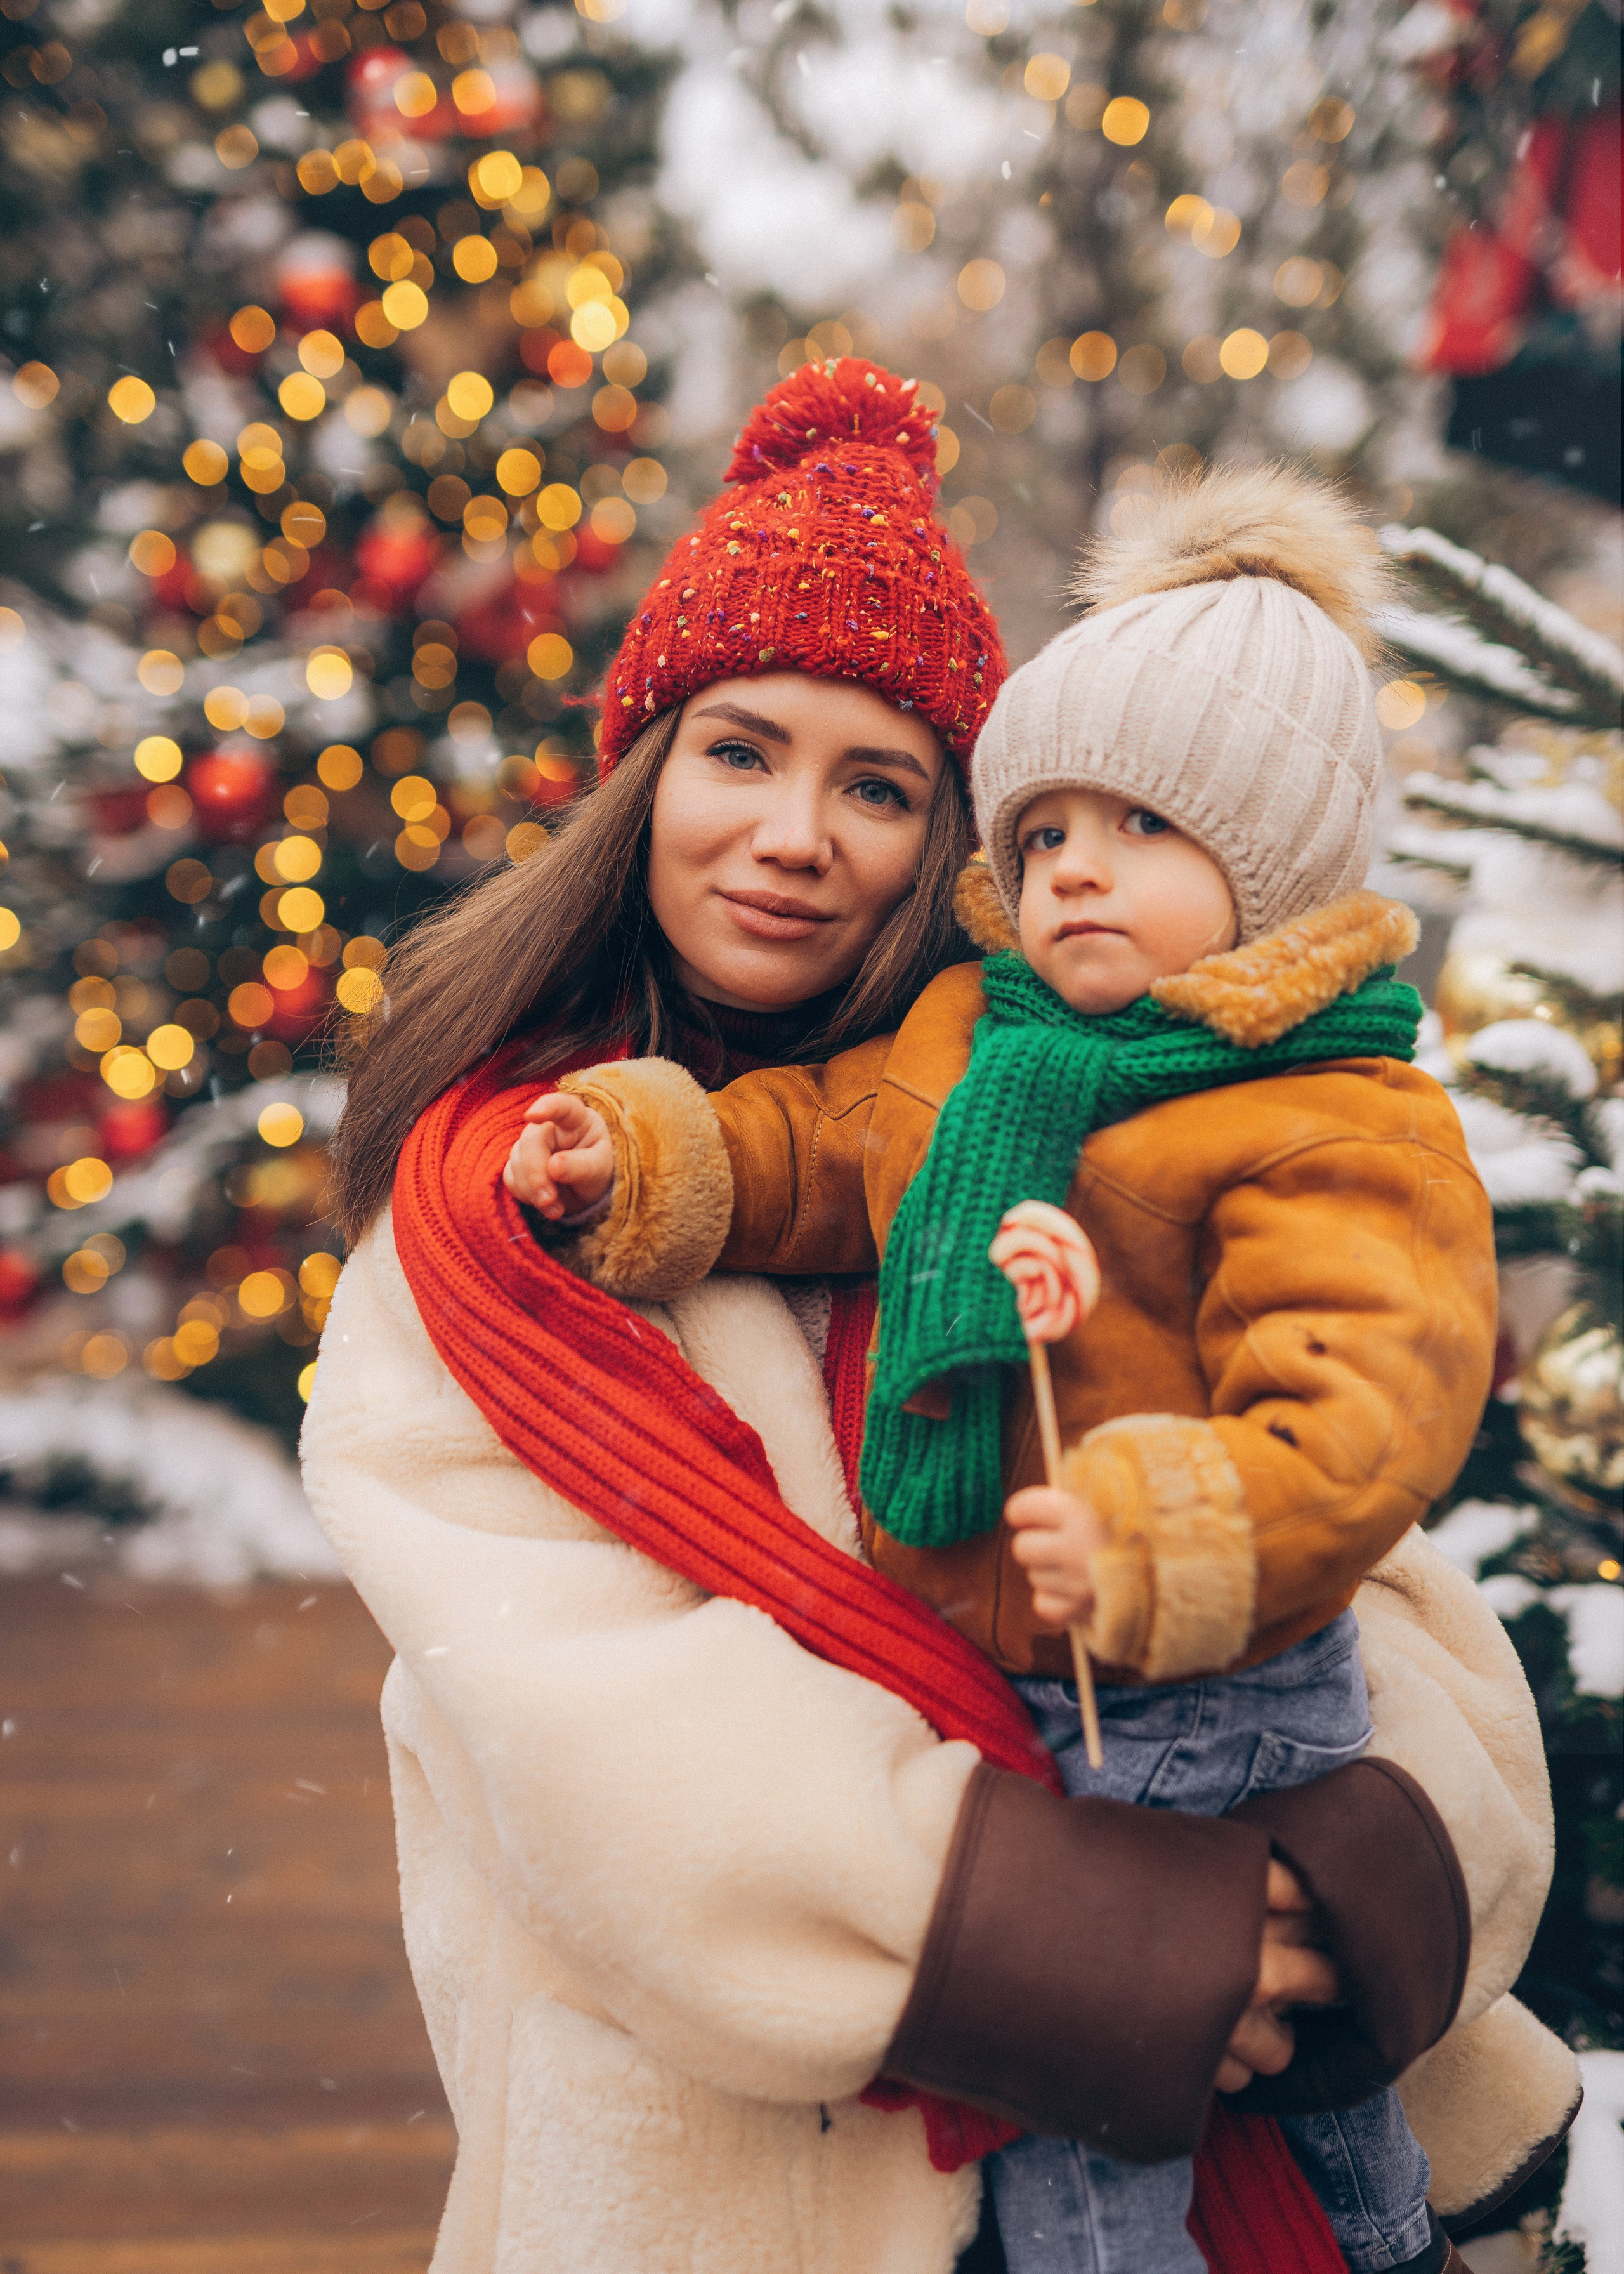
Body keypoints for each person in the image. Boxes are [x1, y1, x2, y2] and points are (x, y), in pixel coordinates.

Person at [304, 367, 1577, 2274]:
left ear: (948, 840)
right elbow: (595, 1738)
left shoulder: (1099, 1110)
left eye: (880, 783)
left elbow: (1388, 1596)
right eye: (741, 751)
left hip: (1231, 2115)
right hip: (759, 2176)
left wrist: (1342, 1893)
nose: (797, 835)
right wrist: (1134, 1951)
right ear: (648, 774)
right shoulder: (510, 1215)